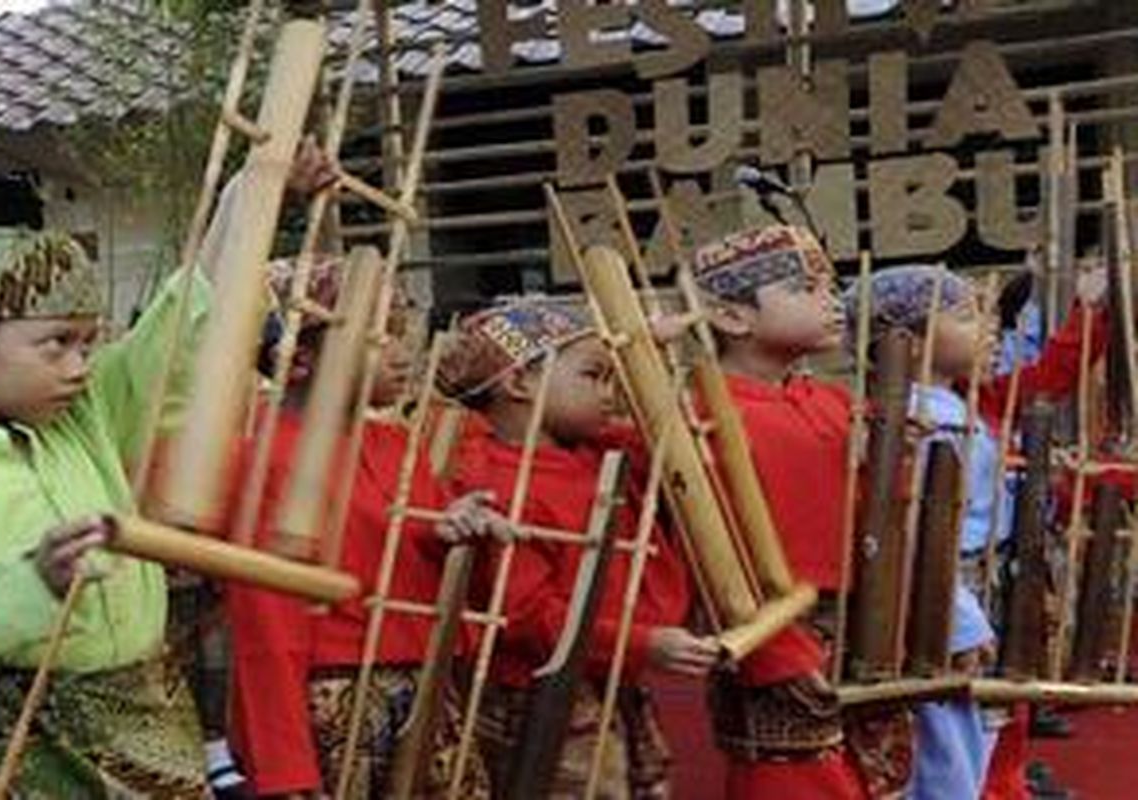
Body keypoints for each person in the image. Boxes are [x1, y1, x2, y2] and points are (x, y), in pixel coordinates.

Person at [0, 146, 334, 797]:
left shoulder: (82, 413)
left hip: (148, 717)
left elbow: (182, 324)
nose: (80, 366)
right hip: (16, 751)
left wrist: (251, 192)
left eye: (89, 343)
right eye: (56, 344)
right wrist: (32, 582)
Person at [224, 255, 505, 799]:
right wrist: (286, 770)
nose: (404, 354)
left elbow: (426, 566)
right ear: (300, 360)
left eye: (403, 332)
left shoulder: (398, 442)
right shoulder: (266, 459)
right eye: (382, 338)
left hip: (425, 685)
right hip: (332, 700)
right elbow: (265, 622)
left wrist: (456, 533)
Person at [438, 296, 715, 798]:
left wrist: (643, 350)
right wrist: (642, 642)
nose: (609, 395)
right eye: (594, 376)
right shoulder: (491, 479)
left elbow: (669, 444)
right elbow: (525, 614)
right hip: (543, 693)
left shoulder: (598, 451)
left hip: (615, 678)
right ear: (519, 382)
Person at [848, 263, 1105, 800]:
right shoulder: (914, 422)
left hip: (975, 591)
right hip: (941, 605)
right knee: (946, 745)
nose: (989, 327)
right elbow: (915, 533)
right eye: (967, 315)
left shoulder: (953, 405)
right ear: (907, 342)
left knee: (978, 736)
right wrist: (961, 621)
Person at [689, 224, 895, 799]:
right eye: (807, 287)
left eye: (832, 285)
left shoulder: (836, 403)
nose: (833, 300)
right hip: (768, 625)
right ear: (733, 317)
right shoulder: (702, 415)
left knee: (863, 775)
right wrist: (770, 648)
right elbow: (712, 555)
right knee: (789, 774)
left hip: (858, 618)